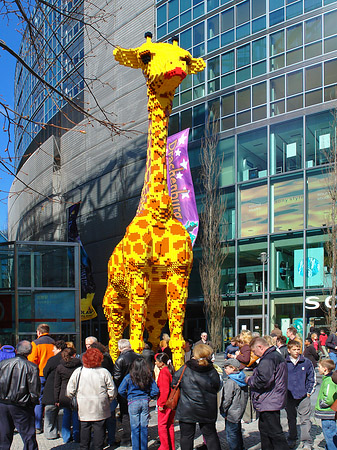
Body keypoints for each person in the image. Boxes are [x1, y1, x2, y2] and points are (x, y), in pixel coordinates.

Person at [173, 343, 222, 450]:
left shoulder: (186, 368)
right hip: (207, 407)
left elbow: (174, 381)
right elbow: (217, 386)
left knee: (186, 436)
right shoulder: (211, 370)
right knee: (210, 435)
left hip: (187, 407)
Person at [67, 347, 116, 450]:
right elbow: (112, 390)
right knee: (100, 428)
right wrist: (108, 400)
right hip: (100, 405)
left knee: (84, 428)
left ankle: (84, 447)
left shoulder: (79, 371)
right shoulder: (104, 372)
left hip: (84, 405)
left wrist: (75, 397)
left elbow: (70, 390)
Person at [245, 337, 289, 450]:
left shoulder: (269, 359)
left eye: (254, 351)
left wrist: (249, 380)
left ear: (260, 347)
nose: (255, 355)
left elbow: (262, 381)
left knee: (275, 433)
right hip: (270, 400)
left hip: (269, 400)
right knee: (265, 432)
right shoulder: (274, 356)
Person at [0, 340, 40, 449]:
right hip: (21, 404)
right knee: (28, 436)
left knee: (4, 435)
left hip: (3, 403)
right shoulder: (31, 367)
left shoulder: (3, 364)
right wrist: (33, 403)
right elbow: (34, 390)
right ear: (30, 352)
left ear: (16, 350)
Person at [118, 357, 159, 450]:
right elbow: (155, 390)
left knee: (134, 427)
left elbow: (121, 390)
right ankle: (144, 447)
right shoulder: (148, 376)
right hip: (144, 400)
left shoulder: (129, 377)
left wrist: (127, 397)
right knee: (144, 426)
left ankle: (136, 448)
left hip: (133, 401)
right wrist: (150, 396)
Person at [285, 340, 316, 450]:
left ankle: (306, 441)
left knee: (305, 419)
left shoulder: (306, 362)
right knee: (291, 419)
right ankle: (292, 438)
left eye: (298, 349)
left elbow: (311, 377)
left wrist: (308, 392)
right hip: (289, 396)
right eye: (294, 349)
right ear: (289, 350)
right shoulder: (284, 363)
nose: (297, 351)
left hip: (303, 396)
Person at [28, 323, 55, 433]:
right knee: (51, 400)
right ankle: (51, 427)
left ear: (38, 332)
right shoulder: (54, 343)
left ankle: (38, 426)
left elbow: (32, 361)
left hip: (40, 374)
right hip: (52, 374)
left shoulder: (35, 343)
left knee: (38, 400)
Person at [91, 341, 118, 447]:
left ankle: (98, 441)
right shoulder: (107, 358)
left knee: (98, 420)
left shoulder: (93, 362)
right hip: (106, 393)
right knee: (110, 418)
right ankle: (111, 439)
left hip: (96, 393)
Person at [114, 338, 139, 446]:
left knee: (125, 415)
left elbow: (117, 377)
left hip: (125, 391)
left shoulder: (120, 359)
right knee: (138, 415)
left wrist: (118, 391)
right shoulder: (139, 357)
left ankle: (126, 439)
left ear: (120, 348)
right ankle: (137, 438)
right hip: (138, 389)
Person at [54, 347, 82, 443]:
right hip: (76, 393)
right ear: (74, 355)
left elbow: (57, 385)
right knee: (76, 415)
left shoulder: (60, 367)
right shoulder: (79, 366)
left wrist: (56, 399)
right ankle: (77, 435)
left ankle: (66, 437)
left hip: (64, 393)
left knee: (66, 414)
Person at [220, 359, 248, 450]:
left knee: (231, 435)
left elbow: (227, 399)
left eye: (226, 368)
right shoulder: (242, 378)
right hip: (239, 410)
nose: (225, 370)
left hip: (231, 412)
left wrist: (223, 410)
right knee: (237, 432)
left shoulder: (230, 382)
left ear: (233, 368)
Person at [42, 340, 67, 439]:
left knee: (50, 411)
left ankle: (50, 433)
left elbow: (45, 372)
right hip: (63, 390)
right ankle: (63, 432)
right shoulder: (67, 359)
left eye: (54, 348)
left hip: (51, 389)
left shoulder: (52, 360)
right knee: (62, 413)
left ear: (59, 348)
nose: (53, 350)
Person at [314, 358, 337, 449]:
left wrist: (321, 404)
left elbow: (328, 397)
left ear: (325, 369)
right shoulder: (328, 379)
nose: (318, 368)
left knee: (330, 435)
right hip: (329, 413)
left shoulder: (328, 381)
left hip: (327, 412)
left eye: (319, 367)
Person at [155, 353, 175, 450]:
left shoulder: (163, 372)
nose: (155, 363)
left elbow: (164, 390)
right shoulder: (170, 370)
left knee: (162, 425)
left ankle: (164, 447)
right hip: (171, 402)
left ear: (161, 363)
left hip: (165, 402)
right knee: (169, 425)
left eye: (157, 361)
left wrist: (161, 404)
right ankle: (170, 446)